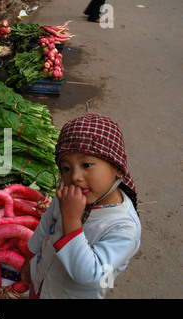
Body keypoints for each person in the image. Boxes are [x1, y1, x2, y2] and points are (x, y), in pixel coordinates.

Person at [20, 112, 141, 298]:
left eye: (86, 165)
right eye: (66, 168)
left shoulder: (124, 227)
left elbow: (89, 275)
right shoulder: (68, 197)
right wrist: (30, 257)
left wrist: (71, 219)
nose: (75, 177)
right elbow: (46, 224)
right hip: (41, 281)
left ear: (117, 168)